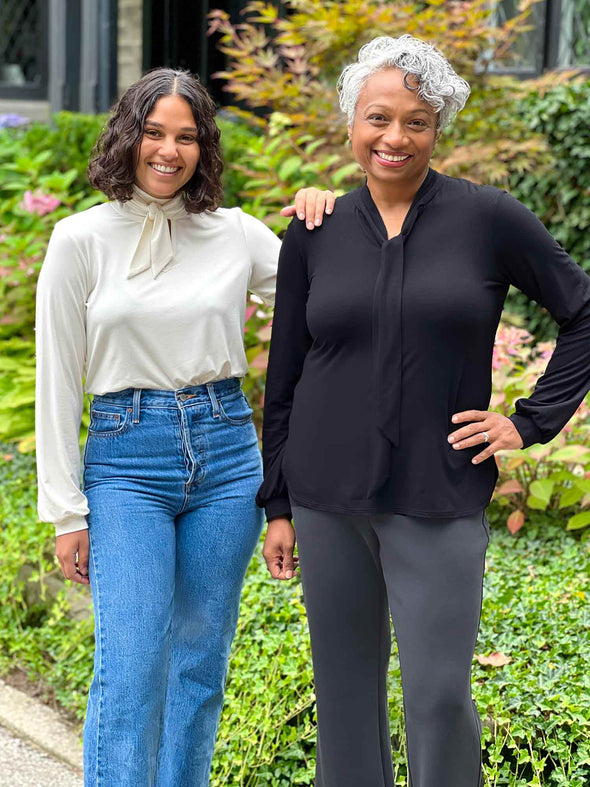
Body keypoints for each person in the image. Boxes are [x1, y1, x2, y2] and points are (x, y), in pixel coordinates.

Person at [256, 35, 590, 787]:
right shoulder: (315, 230)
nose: (394, 137)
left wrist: (530, 420)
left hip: (438, 496)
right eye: (378, 118)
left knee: (438, 697)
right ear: (350, 124)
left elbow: (583, 311)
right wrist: (277, 500)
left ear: (439, 129)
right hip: (324, 496)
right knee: (344, 700)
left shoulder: (488, 218)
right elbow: (286, 375)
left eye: (416, 121)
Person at [34, 67, 333, 787]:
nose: (169, 150)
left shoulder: (234, 233)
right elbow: (56, 380)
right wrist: (65, 510)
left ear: (204, 148)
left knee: (200, 659)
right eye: (155, 132)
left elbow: (329, 284)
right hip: (126, 458)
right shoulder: (80, 240)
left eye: (187, 136)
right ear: (128, 136)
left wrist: (327, 211)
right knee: (130, 664)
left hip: (228, 455)